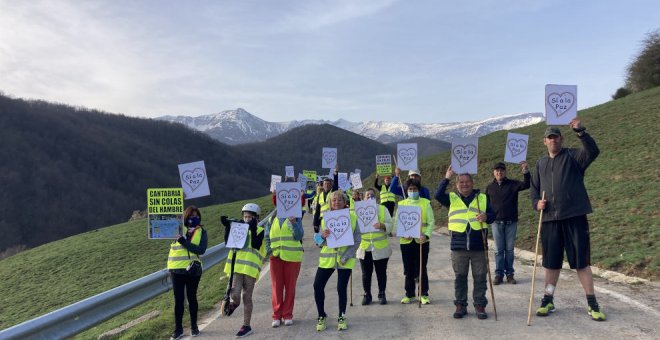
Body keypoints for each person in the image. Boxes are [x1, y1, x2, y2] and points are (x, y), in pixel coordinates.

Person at [530, 119, 605, 321]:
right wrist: (537, 203)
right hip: (549, 220)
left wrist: (580, 132)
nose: (553, 140)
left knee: (581, 262)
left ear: (561, 139)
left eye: (556, 137)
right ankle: (548, 299)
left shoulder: (574, 156)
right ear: (544, 141)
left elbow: (593, 151)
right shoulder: (540, 164)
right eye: (549, 138)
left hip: (574, 217)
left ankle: (592, 303)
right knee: (551, 263)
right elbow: (534, 192)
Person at [435, 167, 495, 320]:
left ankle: (480, 305)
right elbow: (437, 195)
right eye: (461, 182)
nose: (465, 184)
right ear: (457, 185)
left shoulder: (482, 197)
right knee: (460, 278)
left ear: (472, 183)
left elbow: (494, 215)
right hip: (458, 246)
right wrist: (447, 177)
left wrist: (486, 216)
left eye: (467, 181)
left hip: (479, 245)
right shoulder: (452, 198)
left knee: (480, 277)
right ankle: (460, 305)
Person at [313, 190, 361, 332]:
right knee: (317, 286)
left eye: (339, 200)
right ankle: (321, 315)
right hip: (327, 259)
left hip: (344, 259)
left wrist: (347, 256)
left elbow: (357, 240)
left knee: (341, 288)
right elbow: (319, 243)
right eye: (334, 200)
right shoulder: (325, 219)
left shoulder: (352, 217)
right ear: (330, 203)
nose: (336, 202)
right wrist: (322, 236)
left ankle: (341, 316)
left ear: (344, 202)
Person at [221, 203, 266, 337]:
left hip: (250, 270)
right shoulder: (239, 229)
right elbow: (227, 242)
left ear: (256, 218)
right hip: (237, 268)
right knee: (235, 294)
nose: (247, 219)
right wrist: (227, 227)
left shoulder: (260, 231)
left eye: (250, 217)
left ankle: (246, 326)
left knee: (247, 297)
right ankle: (235, 304)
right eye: (245, 217)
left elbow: (256, 244)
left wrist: (252, 229)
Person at [485, 161, 530, 285]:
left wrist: (525, 170)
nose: (499, 172)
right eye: (497, 170)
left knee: (509, 250)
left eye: (501, 170)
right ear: (494, 172)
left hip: (511, 222)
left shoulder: (513, 184)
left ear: (505, 172)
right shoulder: (489, 187)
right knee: (499, 250)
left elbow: (527, 184)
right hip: (496, 223)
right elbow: (486, 206)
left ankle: (510, 274)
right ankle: (499, 275)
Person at [168, 206, 208, 339]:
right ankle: (178, 329)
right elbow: (163, 222)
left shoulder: (202, 232)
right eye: (190, 216)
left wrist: (184, 242)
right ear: (185, 217)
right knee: (178, 300)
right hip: (176, 269)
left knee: (192, 298)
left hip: (193, 270)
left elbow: (201, 250)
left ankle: (194, 327)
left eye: (196, 216)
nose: (193, 219)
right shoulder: (176, 229)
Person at [394, 179, 435, 305]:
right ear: (406, 191)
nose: (412, 191)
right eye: (410, 189)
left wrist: (426, 235)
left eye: (415, 189)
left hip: (421, 241)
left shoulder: (425, 203)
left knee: (421, 267)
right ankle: (409, 294)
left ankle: (423, 294)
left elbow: (431, 222)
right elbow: (397, 224)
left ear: (419, 190)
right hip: (406, 242)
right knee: (408, 269)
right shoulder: (402, 204)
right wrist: (402, 233)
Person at [264, 210, 304, 327]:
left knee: (290, 287)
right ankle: (276, 315)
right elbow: (267, 236)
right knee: (277, 287)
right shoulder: (272, 218)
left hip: (292, 257)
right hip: (276, 257)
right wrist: (269, 251)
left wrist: (294, 223)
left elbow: (299, 236)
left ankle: (287, 314)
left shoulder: (296, 216)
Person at [357, 188, 393, 305]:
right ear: (364, 198)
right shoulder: (359, 210)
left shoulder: (383, 209)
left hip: (381, 248)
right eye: (368, 196)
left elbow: (391, 225)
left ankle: (382, 294)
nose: (370, 197)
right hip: (365, 247)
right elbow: (354, 227)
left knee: (381, 273)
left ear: (376, 197)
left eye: (372, 195)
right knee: (366, 274)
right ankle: (367, 294)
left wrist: (382, 225)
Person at [313, 168, 339, 234]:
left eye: (328, 184)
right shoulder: (320, 195)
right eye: (325, 184)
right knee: (325, 236)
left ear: (331, 185)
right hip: (323, 219)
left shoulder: (333, 192)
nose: (326, 185)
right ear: (323, 185)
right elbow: (317, 210)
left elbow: (336, 184)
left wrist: (336, 174)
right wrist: (315, 223)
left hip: (332, 217)